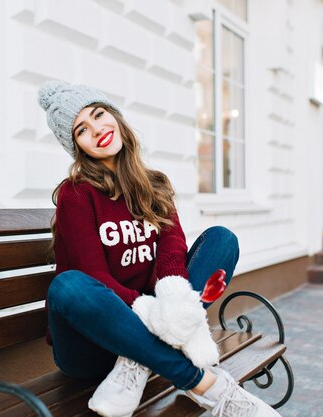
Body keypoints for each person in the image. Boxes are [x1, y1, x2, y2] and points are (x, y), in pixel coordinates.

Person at [38, 80, 281, 417]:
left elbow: (172, 248)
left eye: (99, 114)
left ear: (116, 117)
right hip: (92, 343)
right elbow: (94, 275)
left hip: (155, 322)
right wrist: (151, 314)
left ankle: (137, 359)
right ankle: (208, 387)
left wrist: (172, 300)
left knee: (221, 239)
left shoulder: (154, 185)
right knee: (67, 286)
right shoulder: (76, 194)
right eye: (82, 129)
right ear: (76, 145)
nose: (97, 130)